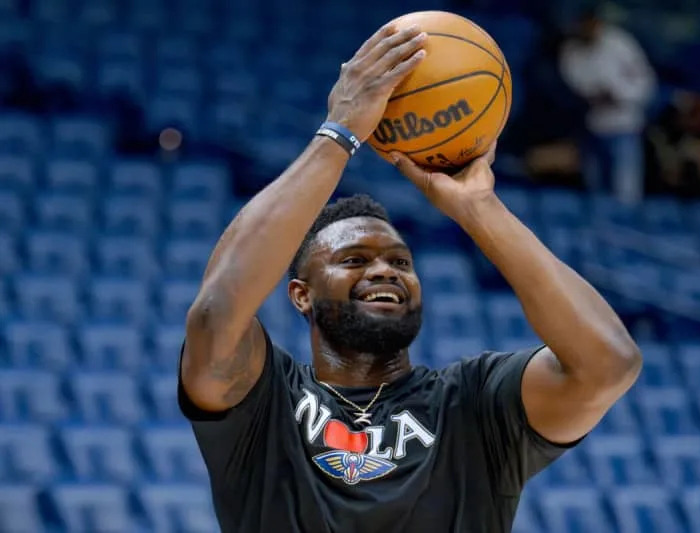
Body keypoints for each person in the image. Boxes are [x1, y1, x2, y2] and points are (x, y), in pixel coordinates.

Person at [179, 22, 642, 533]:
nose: (384, 269)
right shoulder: (264, 408)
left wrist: (480, 210)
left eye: (400, 262)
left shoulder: (473, 404)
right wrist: (340, 133)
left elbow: (607, 365)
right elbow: (216, 313)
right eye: (353, 259)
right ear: (301, 295)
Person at [559, 7, 656, 205]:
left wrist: (619, 94)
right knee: (595, 194)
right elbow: (574, 84)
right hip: (592, 126)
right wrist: (594, 94)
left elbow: (645, 82)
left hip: (625, 126)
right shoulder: (571, 51)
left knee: (626, 192)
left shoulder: (620, 43)